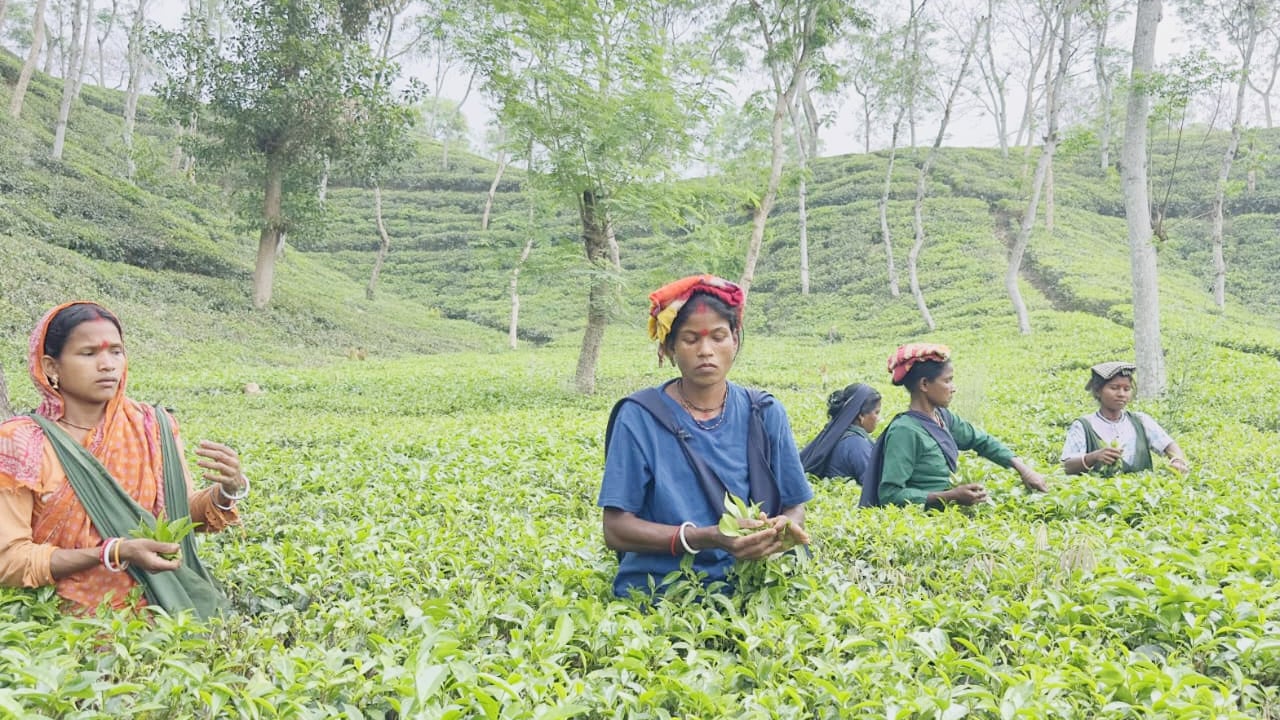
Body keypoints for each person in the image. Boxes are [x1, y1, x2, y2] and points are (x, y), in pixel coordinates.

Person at [0, 301, 249, 617]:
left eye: (116, 352)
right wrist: (112, 552)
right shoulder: (21, 441)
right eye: (88, 353)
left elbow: (180, 517)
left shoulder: (151, 426)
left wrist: (226, 492)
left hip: (165, 620)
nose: (107, 365)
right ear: (51, 367)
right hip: (65, 631)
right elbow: (8, 560)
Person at [598, 275, 812, 597]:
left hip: (753, 589)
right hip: (661, 593)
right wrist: (706, 537)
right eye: (690, 339)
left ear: (735, 341)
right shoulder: (639, 417)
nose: (706, 351)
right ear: (669, 347)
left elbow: (795, 506)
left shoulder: (765, 412)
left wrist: (778, 533)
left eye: (718, 336)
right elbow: (616, 530)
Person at [859, 343, 1047, 509]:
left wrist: (1023, 469)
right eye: (947, 381)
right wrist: (951, 496)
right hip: (926, 525)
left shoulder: (942, 417)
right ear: (924, 384)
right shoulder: (904, 431)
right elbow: (890, 495)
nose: (953, 387)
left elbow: (980, 440)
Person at [1061, 361, 1189, 476]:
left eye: (1126, 389)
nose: (1121, 394)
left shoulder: (1141, 421)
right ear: (1098, 391)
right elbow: (1067, 466)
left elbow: (1168, 445)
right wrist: (1093, 457)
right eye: (1114, 388)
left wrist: (1177, 460)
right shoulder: (1083, 425)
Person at [798, 383, 881, 482]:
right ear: (861, 416)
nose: (879, 419)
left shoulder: (832, 434)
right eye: (876, 412)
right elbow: (874, 486)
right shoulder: (857, 444)